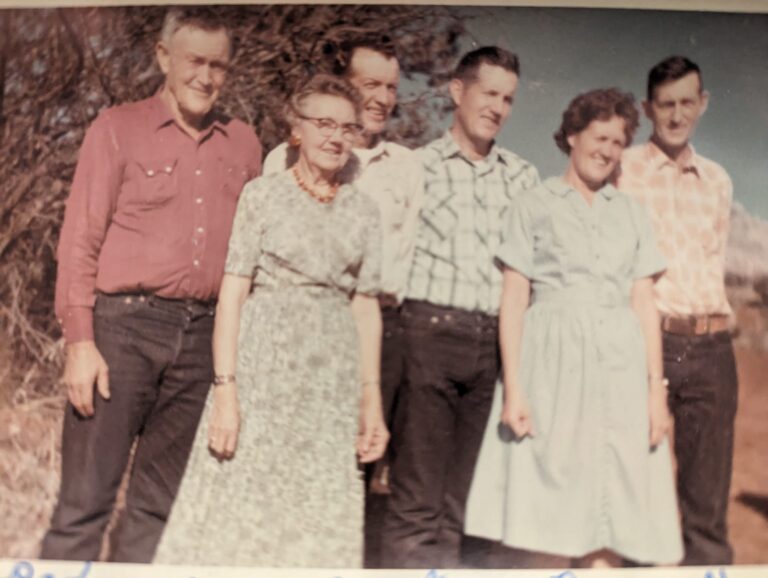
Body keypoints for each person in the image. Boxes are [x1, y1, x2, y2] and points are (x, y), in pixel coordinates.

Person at [41, 8, 262, 563]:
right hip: (122, 334)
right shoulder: (117, 129)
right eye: (194, 61)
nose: (206, 76)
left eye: (219, 65)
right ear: (164, 58)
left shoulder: (244, 144)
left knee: (156, 510)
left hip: (201, 343)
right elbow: (79, 243)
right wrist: (80, 343)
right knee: (84, 503)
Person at [153, 74, 388, 567]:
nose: (335, 136)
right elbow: (234, 295)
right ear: (296, 129)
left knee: (315, 513)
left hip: (329, 384)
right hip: (264, 371)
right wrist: (226, 392)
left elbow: (365, 306)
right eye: (323, 123)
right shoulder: (263, 195)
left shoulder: (365, 211)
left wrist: (371, 402)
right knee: (243, 509)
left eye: (347, 127)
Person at [464, 88, 683, 568]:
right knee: (550, 513)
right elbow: (515, 297)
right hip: (553, 372)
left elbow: (643, 301)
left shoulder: (631, 213)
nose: (607, 150)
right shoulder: (533, 203)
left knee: (613, 510)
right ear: (571, 135)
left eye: (618, 141)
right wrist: (515, 390)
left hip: (621, 373)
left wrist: (655, 392)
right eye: (599, 137)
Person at [262, 35, 423, 567]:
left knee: (365, 475)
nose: (381, 98)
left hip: (384, 333)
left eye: (391, 88)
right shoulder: (285, 160)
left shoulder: (404, 166)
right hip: (306, 331)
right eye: (369, 84)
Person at [381, 46, 540, 569]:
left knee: (468, 506)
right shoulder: (415, 167)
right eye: (489, 92)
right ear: (457, 91)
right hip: (427, 337)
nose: (497, 107)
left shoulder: (523, 178)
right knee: (416, 500)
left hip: (493, 349)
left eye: (509, 99)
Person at [616, 56, 738, 566]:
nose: (676, 114)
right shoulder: (623, 170)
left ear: (703, 104)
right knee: (638, 504)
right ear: (647, 109)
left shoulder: (718, 180)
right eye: (665, 104)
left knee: (706, 512)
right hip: (650, 347)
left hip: (712, 348)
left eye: (687, 102)